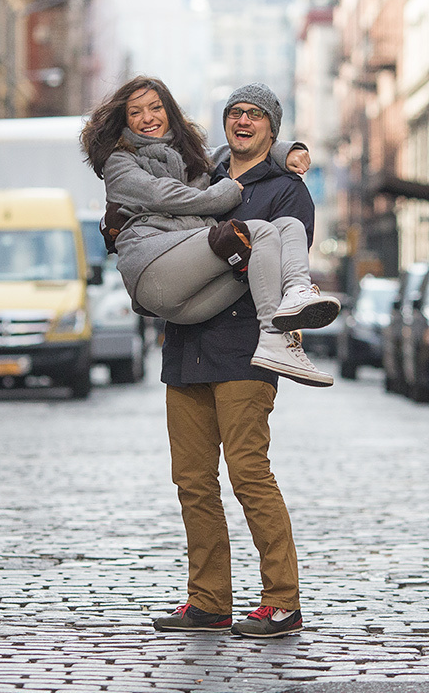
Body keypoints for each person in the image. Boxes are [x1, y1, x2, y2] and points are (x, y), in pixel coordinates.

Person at [151, 82, 316, 638]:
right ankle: (209, 600)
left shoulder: (286, 191)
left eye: (255, 115)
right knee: (192, 480)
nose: (243, 121)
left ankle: (283, 600)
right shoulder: (200, 179)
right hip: (186, 345)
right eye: (235, 113)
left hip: (247, 349)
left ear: (271, 127)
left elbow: (280, 268)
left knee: (248, 473)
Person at [80, 77, 339, 387]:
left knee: (288, 228)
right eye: (135, 112)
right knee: (260, 233)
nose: (147, 117)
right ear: (124, 120)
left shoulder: (194, 160)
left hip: (214, 328)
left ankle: (293, 301)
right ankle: (274, 334)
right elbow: (164, 194)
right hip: (156, 269)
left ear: (170, 113)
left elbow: (223, 154)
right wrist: (222, 196)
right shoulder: (120, 162)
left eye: (155, 107)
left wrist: (284, 150)